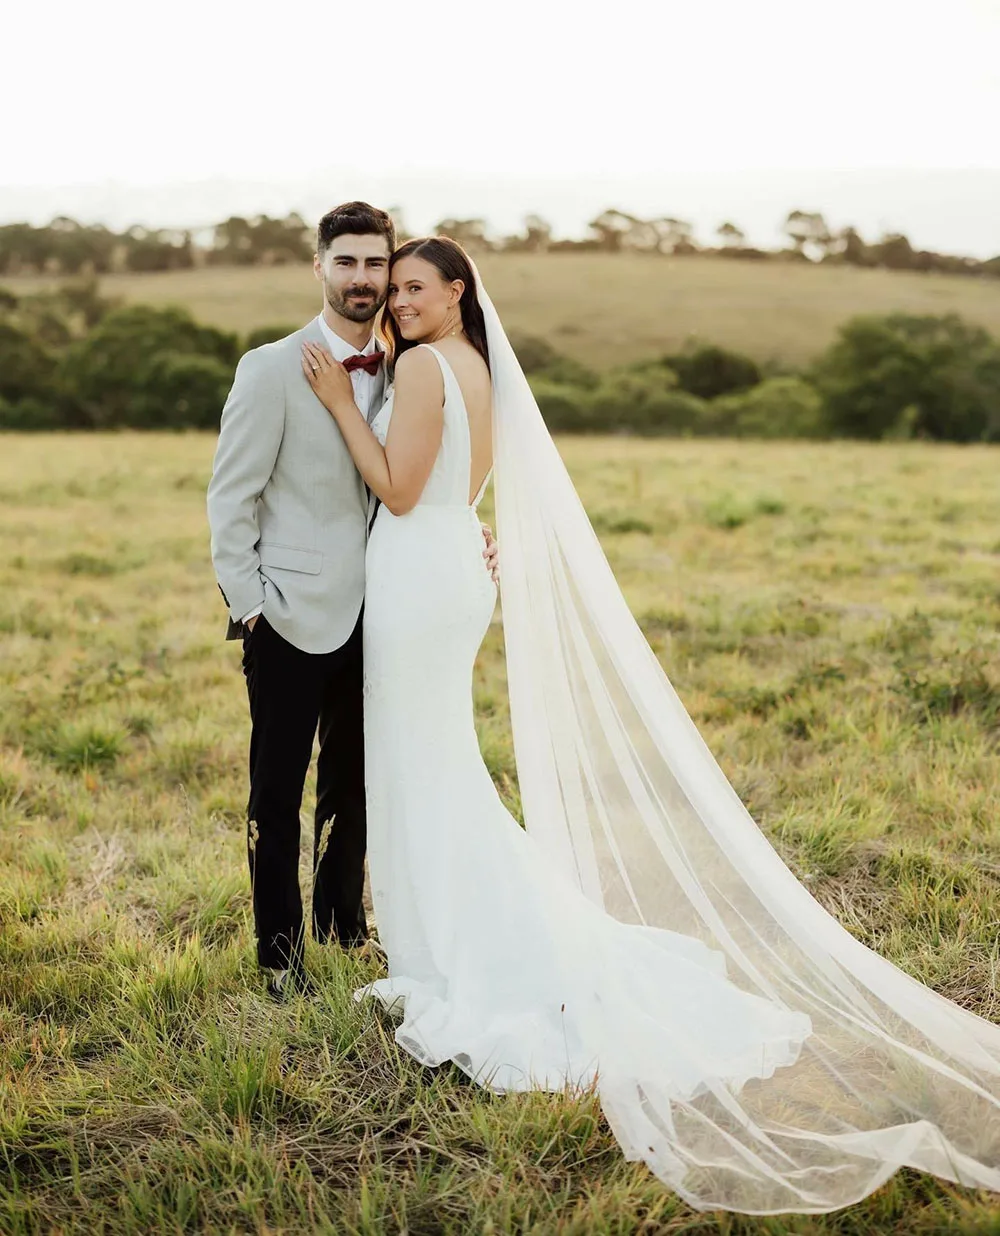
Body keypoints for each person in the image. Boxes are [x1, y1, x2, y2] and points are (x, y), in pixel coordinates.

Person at [302, 234, 1000, 1215]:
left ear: (457, 291)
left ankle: (457, 951)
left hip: (418, 583)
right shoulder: (478, 367)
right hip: (452, 571)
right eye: (397, 289)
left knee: (424, 770)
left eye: (418, 287)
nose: (402, 301)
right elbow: (459, 496)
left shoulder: (421, 366)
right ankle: (437, 939)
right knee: (434, 765)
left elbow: (402, 489)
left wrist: (339, 402)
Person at [207, 205, 497, 1002]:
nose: (366, 280)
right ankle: (279, 958)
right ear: (321, 268)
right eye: (350, 263)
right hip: (292, 611)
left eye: (379, 265)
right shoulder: (270, 368)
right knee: (277, 791)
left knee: (356, 785)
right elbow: (231, 498)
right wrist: (250, 604)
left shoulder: (413, 361)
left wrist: (466, 532)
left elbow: (432, 473)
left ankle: (343, 929)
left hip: (390, 611)